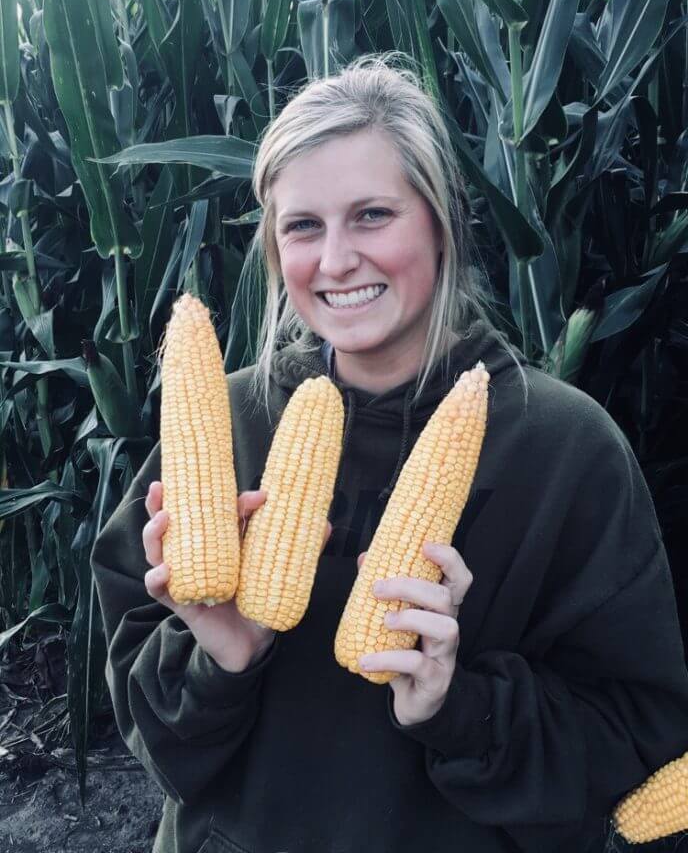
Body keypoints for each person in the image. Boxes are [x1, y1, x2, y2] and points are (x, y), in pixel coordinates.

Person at [91, 54, 688, 853]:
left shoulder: (567, 449)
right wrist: (218, 658)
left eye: (372, 214)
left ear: (440, 222)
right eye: (303, 225)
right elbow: (156, 744)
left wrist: (459, 704)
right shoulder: (229, 417)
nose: (335, 260)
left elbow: (633, 732)